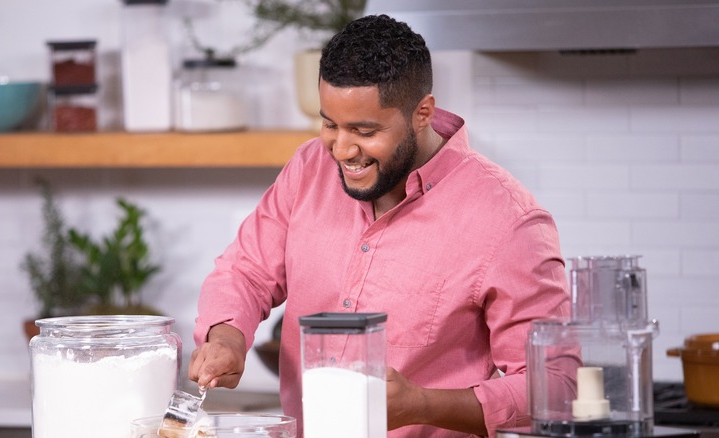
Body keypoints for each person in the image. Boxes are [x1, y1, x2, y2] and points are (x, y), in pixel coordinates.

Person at [189, 14, 578, 437]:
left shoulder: (507, 220)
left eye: (365, 130)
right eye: (330, 124)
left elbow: (556, 388)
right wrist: (227, 338)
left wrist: (421, 405)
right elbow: (246, 270)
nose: (341, 149)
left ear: (422, 113)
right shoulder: (308, 168)